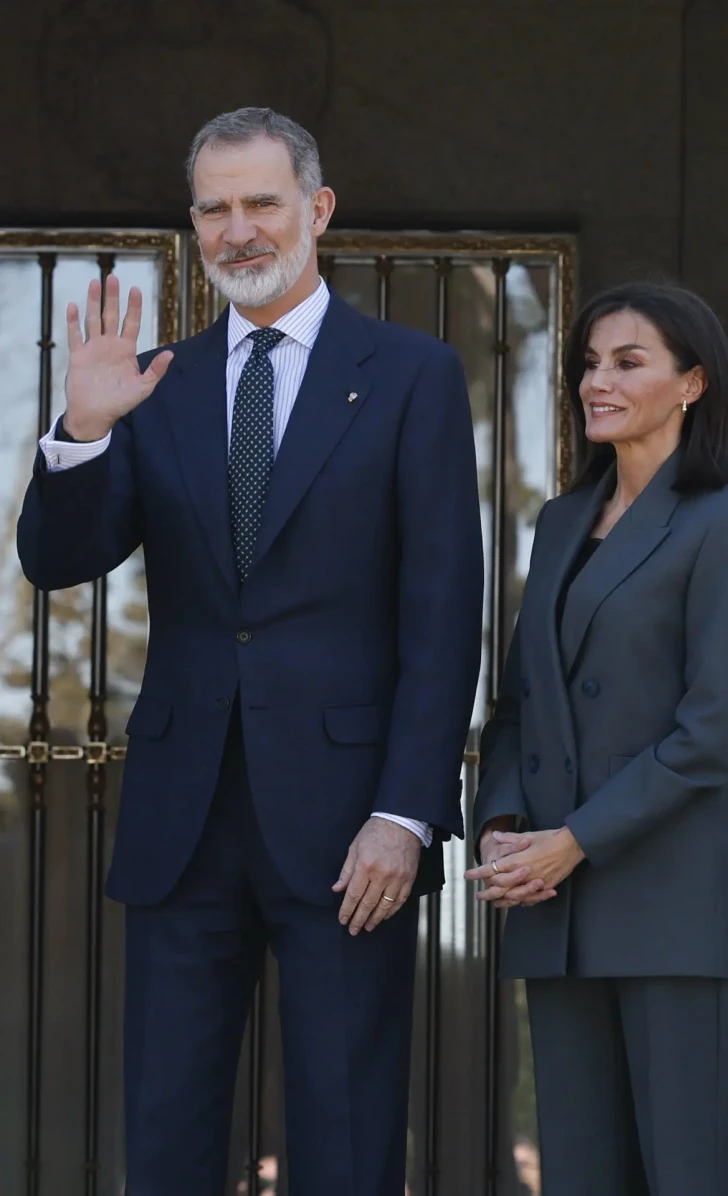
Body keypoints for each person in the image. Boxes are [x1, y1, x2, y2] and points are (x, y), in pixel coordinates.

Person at [17, 107, 484, 1196]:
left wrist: (406, 810)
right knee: (169, 1134)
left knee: (347, 1130)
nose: (237, 230)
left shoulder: (412, 375)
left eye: (260, 202)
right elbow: (57, 559)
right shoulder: (153, 380)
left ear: (315, 210)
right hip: (184, 819)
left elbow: (442, 609)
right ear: (192, 224)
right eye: (213, 208)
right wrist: (83, 431)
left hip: (348, 826)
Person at [466, 282, 728, 1196]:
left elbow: (710, 736)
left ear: (692, 383)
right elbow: (518, 703)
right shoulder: (561, 524)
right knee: (579, 1174)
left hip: (668, 903)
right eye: (589, 364)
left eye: (627, 362)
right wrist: (503, 821)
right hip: (553, 910)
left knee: (687, 1172)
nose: (597, 381)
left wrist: (573, 842)